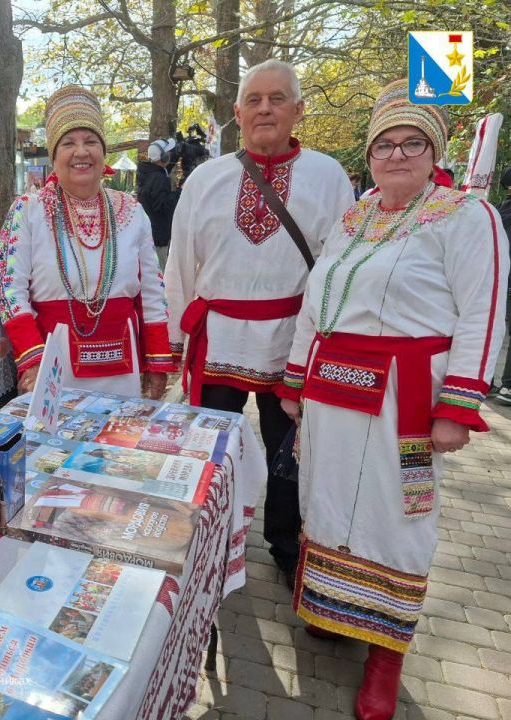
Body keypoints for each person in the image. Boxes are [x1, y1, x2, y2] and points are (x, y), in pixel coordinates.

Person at [278, 80, 508, 720]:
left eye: (412, 143)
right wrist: (295, 381)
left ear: (433, 151)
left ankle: (387, 652)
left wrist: (458, 405)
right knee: (322, 499)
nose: (397, 154)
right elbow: (314, 302)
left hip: (405, 396)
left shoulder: (467, 216)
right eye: (385, 144)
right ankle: (333, 606)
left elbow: (483, 314)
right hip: (332, 387)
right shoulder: (354, 216)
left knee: (398, 516)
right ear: (370, 155)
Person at [164, 59, 355, 587]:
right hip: (218, 335)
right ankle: (208, 535)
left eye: (277, 99)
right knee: (209, 449)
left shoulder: (328, 176)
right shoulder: (206, 178)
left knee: (287, 451)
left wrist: (328, 344)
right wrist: (175, 341)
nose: (265, 108)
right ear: (237, 113)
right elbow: (180, 261)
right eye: (254, 100)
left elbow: (339, 265)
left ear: (298, 110)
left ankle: (286, 545)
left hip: (291, 342)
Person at [0, 85, 177, 400]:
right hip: (53, 363)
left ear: (104, 153)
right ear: (53, 155)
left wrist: (157, 362)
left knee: (119, 442)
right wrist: (33, 359)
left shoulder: (132, 211)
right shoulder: (28, 210)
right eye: (68, 143)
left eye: (91, 141)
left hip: (123, 364)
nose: (81, 152)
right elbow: (7, 288)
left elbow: (153, 292)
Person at [137, 139, 182, 269]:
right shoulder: (159, 179)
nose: (171, 155)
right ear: (163, 156)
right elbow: (163, 206)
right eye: (168, 152)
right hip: (158, 237)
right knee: (161, 273)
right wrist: (180, 192)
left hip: (150, 233)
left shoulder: (147, 173)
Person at [492, 167, 511, 405]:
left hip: (498, 279)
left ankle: (489, 383)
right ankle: (508, 385)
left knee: (498, 328)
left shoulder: (498, 211)